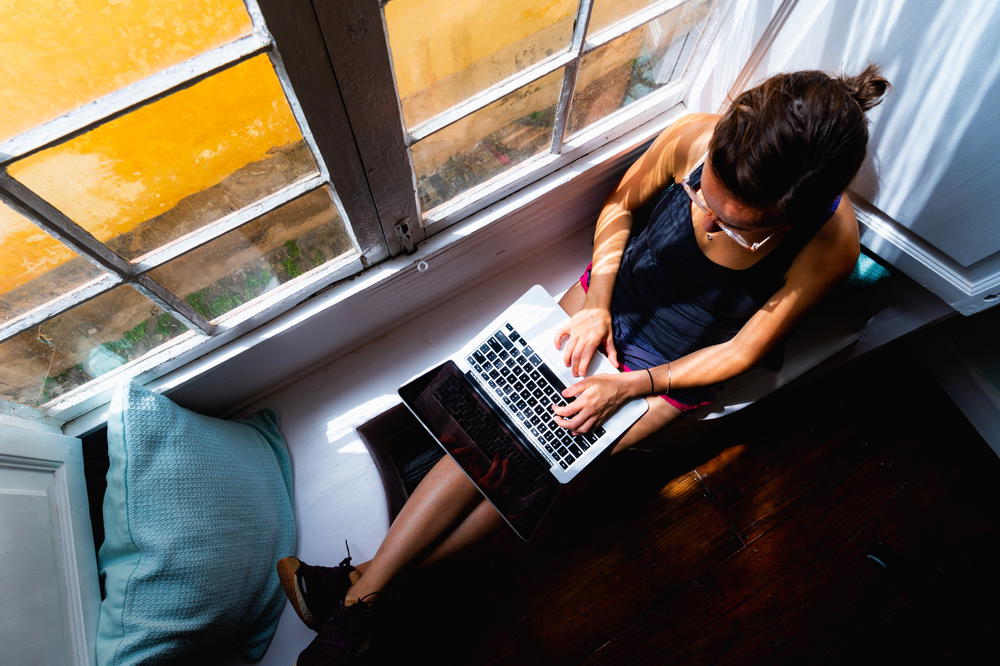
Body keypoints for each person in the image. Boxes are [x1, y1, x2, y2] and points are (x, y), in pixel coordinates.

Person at [278, 64, 890, 663]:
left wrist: (628, 386)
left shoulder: (831, 243)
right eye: (702, 196)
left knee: (534, 467)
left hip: (674, 371)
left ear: (790, 216)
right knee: (493, 422)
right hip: (611, 295)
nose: (706, 218)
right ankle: (363, 600)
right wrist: (597, 304)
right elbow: (620, 209)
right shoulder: (696, 137)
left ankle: (357, 593)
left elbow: (740, 352)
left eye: (736, 228)